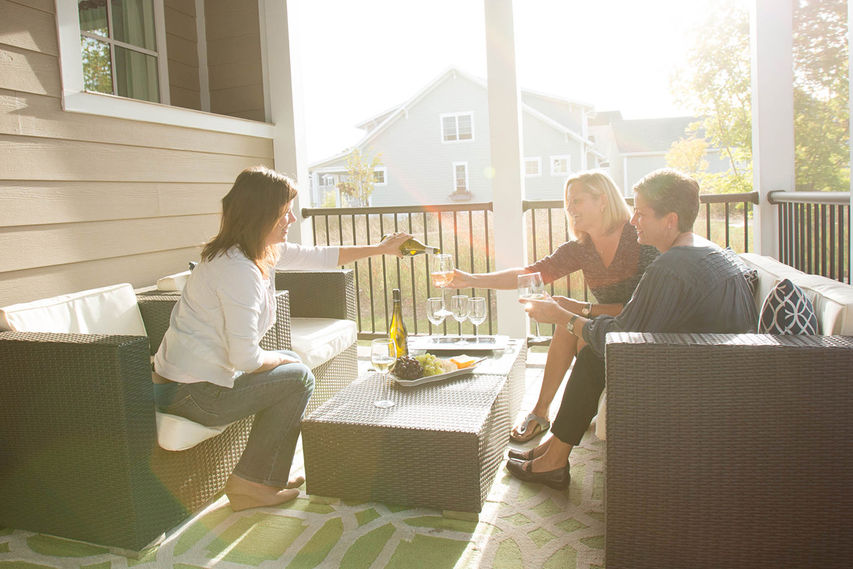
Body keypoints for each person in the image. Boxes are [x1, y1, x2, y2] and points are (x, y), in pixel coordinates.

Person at [152, 166, 411, 511]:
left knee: (290, 367)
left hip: (194, 384)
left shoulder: (256, 251)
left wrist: (380, 249)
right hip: (192, 394)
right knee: (298, 376)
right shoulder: (237, 270)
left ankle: (263, 474)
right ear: (260, 213)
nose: (291, 218)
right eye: (284, 211)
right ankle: (250, 485)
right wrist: (287, 359)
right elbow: (247, 360)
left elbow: (321, 257)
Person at [506, 168, 758, 489]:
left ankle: (554, 460)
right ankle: (553, 450)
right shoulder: (700, 250)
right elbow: (632, 326)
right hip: (719, 366)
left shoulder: (671, 267)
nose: (633, 219)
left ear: (670, 220)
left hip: (708, 384)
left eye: (641, 213)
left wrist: (562, 316)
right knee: (595, 352)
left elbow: (617, 337)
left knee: (594, 358)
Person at [448, 170, 658, 442]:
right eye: (568, 203)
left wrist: (579, 308)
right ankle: (545, 411)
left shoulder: (638, 238)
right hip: (609, 330)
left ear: (603, 200)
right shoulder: (582, 247)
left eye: (577, 201)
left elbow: (642, 310)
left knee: (567, 321)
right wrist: (471, 279)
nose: (569, 209)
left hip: (640, 332)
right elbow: (531, 274)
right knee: (567, 324)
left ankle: (546, 412)